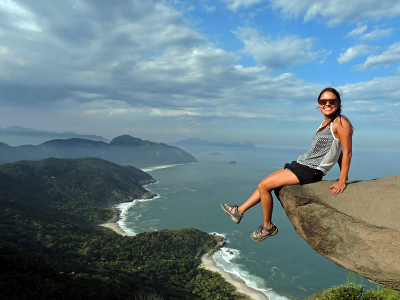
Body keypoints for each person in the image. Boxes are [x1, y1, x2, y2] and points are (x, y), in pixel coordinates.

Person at [221, 87, 353, 242]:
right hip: (303, 164)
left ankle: (268, 227)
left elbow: (347, 152)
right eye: (323, 101)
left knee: (264, 186)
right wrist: (342, 175)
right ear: (319, 104)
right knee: (263, 184)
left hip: (311, 170)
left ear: (339, 103)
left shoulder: (341, 122)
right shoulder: (325, 123)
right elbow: (338, 152)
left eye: (332, 101)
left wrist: (342, 180)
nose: (328, 104)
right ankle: (239, 210)